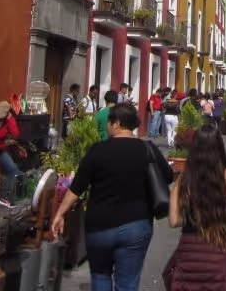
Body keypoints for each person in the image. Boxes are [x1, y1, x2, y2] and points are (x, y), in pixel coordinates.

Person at [52, 104, 173, 291]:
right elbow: (168, 176)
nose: (107, 126)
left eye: (109, 122)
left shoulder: (97, 150)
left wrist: (60, 214)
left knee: (100, 278)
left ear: (116, 123)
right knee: (128, 283)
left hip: (100, 227)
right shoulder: (148, 149)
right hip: (136, 225)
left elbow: (77, 189)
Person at [164, 125, 226, 291]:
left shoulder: (184, 179)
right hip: (220, 245)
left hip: (190, 251)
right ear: (218, 146)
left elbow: (174, 220)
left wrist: (195, 217)